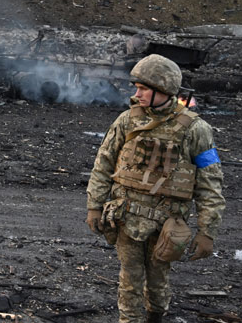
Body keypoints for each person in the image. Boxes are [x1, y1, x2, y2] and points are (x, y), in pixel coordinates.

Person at [85, 54, 225, 323]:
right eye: (136, 88)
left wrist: (207, 231)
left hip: (167, 223)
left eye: (143, 89)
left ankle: (156, 315)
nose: (136, 94)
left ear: (164, 90)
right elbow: (103, 164)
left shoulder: (197, 130)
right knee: (129, 278)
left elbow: (210, 183)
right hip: (125, 217)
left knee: (159, 279)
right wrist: (94, 205)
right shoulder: (127, 121)